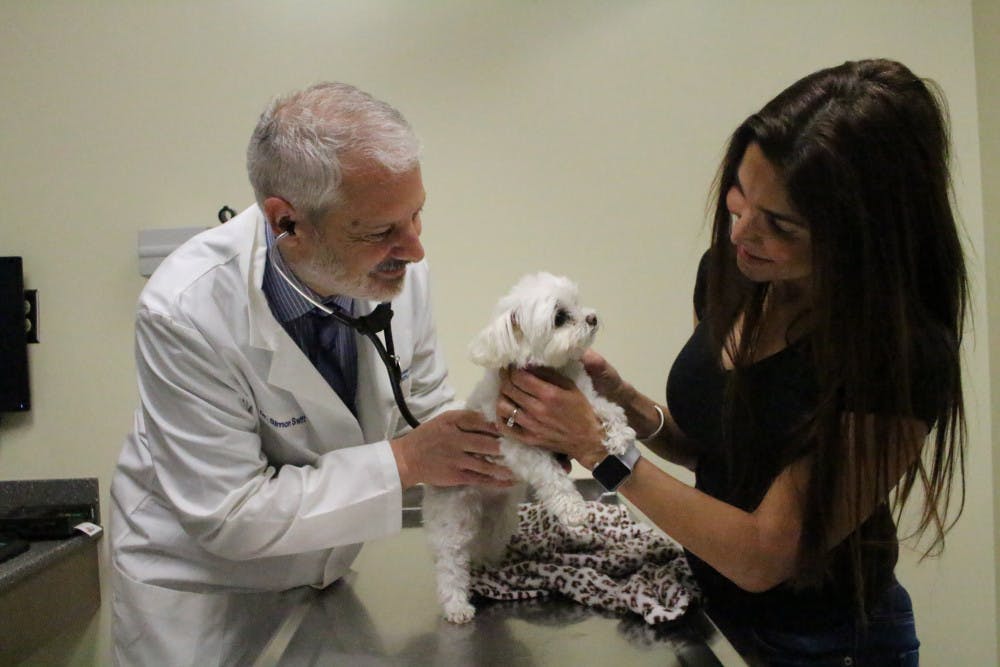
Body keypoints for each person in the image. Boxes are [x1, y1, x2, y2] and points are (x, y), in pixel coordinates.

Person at [495, 59, 967, 666]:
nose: (743, 233)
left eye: (780, 225)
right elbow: (718, 451)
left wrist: (600, 451)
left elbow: (764, 556)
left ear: (861, 233)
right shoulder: (733, 274)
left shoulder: (897, 354)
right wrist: (630, 407)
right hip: (710, 609)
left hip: (823, 642)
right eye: (739, 199)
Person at [109, 82, 511, 666]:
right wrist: (406, 461)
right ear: (287, 222)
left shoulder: (395, 272)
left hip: (324, 576)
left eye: (416, 215)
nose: (415, 249)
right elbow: (231, 515)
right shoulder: (186, 311)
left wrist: (499, 434)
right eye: (379, 231)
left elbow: (423, 408)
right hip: (205, 596)